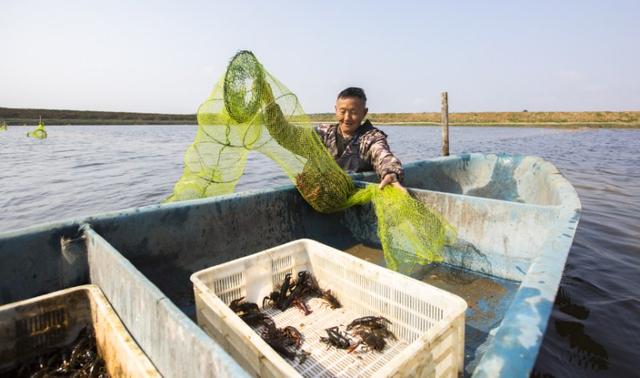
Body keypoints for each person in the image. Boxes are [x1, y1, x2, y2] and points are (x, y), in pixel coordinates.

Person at [316, 87, 405, 191]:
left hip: (358, 196)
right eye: (342, 111)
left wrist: (391, 173)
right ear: (336, 110)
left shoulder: (371, 138)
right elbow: (299, 138)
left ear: (364, 112)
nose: (347, 118)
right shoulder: (324, 132)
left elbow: (383, 155)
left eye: (354, 112)